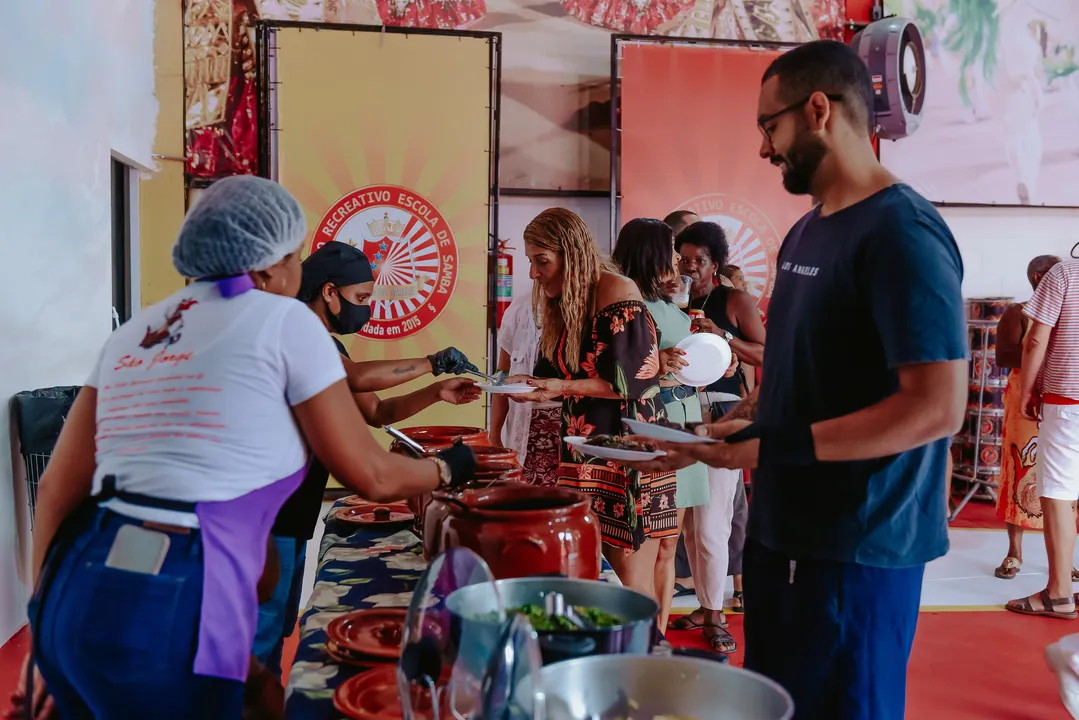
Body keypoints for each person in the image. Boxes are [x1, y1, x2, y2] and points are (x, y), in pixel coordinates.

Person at [24, 176, 476, 719]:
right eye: (296, 260)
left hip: (76, 584)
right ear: (266, 268)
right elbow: (373, 475)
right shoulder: (286, 320)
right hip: (187, 586)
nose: (300, 275)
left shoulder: (133, 333)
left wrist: (41, 628)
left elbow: (54, 491)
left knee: (259, 693)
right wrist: (448, 469)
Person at [627, 41, 966, 719]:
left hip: (857, 549)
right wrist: (729, 425)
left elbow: (935, 408)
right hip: (786, 536)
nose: (762, 148)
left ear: (818, 110)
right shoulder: (810, 232)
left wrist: (772, 447)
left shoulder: (902, 233)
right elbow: (801, 376)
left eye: (769, 126)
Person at [252, 240, 481, 677]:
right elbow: (356, 378)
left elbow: (377, 411)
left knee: (276, 631)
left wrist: (436, 391)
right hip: (271, 516)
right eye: (360, 299)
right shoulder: (299, 331)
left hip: (293, 516)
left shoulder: (326, 343)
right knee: (258, 642)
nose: (366, 310)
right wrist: (433, 363)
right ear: (329, 292)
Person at [508, 208, 677, 599]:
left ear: (572, 253)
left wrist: (556, 387)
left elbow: (631, 382)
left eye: (541, 261)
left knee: (632, 580)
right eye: (531, 261)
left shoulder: (617, 291)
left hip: (627, 447)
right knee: (590, 567)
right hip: (584, 449)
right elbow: (556, 372)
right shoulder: (566, 300)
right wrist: (524, 383)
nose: (533, 273)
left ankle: (645, 657)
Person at [669, 220, 765, 652]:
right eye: (683, 259)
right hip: (673, 413)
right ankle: (704, 605)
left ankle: (715, 615)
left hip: (722, 415)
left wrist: (724, 336)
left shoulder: (734, 299)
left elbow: (768, 352)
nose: (690, 267)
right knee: (682, 526)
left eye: (699, 261)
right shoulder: (668, 297)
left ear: (717, 262)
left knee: (711, 524)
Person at [611, 217, 710, 633]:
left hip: (687, 419)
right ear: (651, 253)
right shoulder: (625, 304)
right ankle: (642, 632)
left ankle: (660, 633)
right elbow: (621, 371)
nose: (677, 261)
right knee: (646, 540)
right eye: (670, 251)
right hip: (653, 422)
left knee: (671, 542)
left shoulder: (671, 303)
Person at [1007, 259, 1079, 619]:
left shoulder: (1065, 274)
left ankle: (1060, 594)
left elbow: (1036, 338)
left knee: (1059, 494)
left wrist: (1027, 391)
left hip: (1070, 402)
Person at [993, 255, 1065, 580]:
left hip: (1059, 401)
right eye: (1054, 273)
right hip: (1024, 405)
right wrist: (1040, 352)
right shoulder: (1017, 313)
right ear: (1038, 277)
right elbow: (1003, 355)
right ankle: (1014, 552)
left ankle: (1064, 563)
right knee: (1019, 468)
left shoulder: (1068, 312)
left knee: (1065, 482)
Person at [489, 292, 561, 486]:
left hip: (570, 435)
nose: (535, 273)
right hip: (526, 437)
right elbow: (502, 374)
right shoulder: (520, 309)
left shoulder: (589, 307)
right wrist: (494, 434)